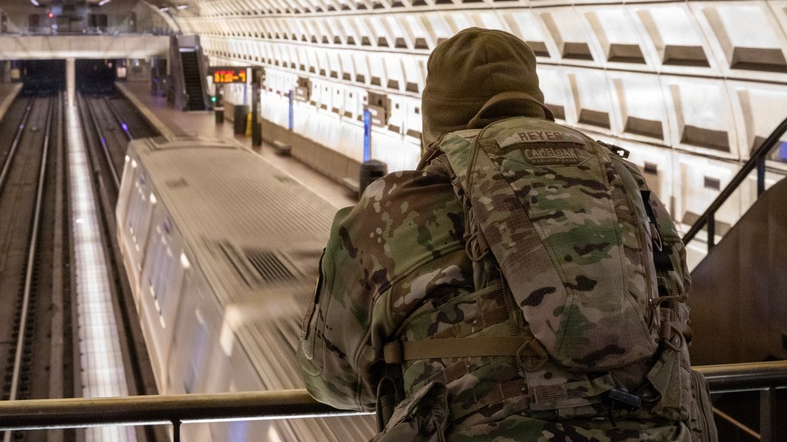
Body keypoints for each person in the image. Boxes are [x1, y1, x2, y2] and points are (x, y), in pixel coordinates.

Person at [297, 27, 716, 441]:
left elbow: (330, 379)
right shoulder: (632, 190)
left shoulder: (393, 210)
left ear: (433, 124)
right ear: (536, 104)